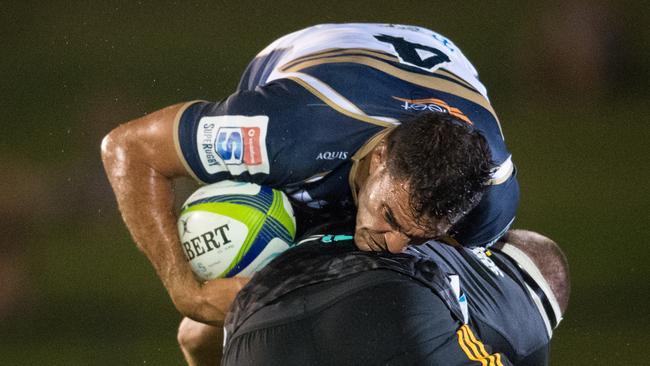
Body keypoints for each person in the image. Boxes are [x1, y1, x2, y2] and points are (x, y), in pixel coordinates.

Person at [101, 23, 518, 364]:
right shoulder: (287, 133)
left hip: (427, 78)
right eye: (390, 218)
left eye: (418, 235)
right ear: (379, 158)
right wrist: (186, 293)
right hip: (315, 72)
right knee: (199, 337)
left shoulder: (489, 200)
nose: (393, 246)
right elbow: (128, 149)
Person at [219, 224, 569, 365]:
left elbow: (194, 335)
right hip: (385, 305)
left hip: (254, 316)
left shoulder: (439, 237)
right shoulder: (527, 326)